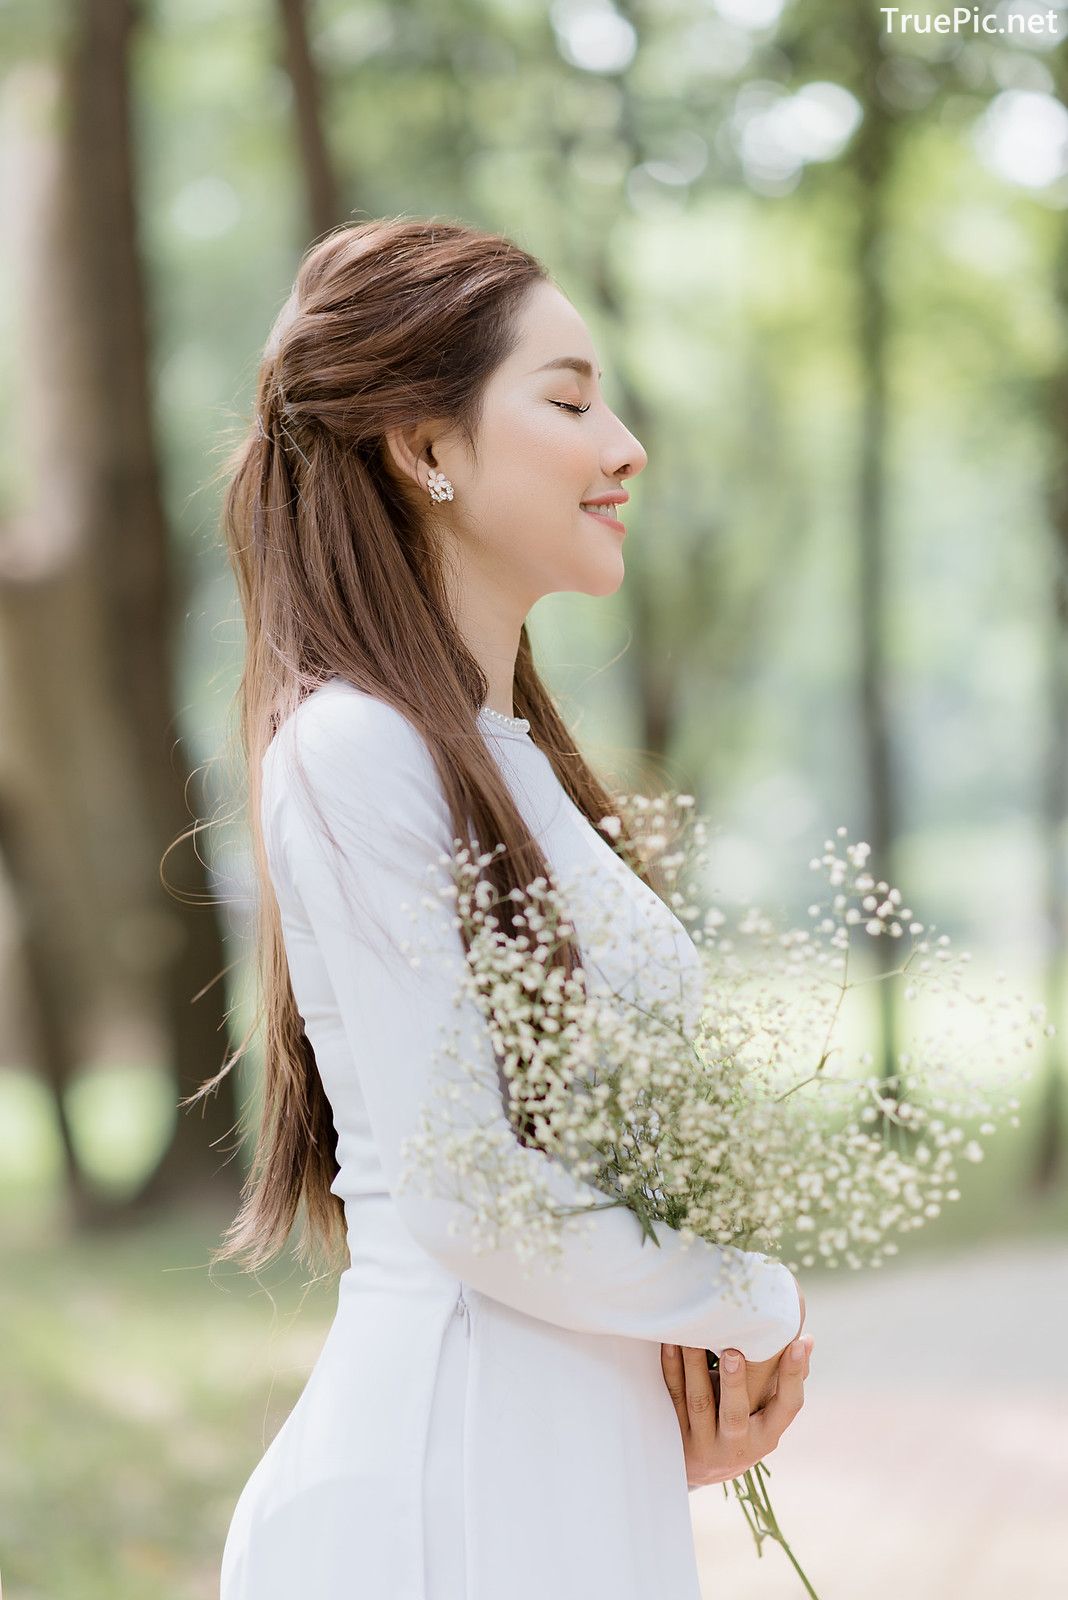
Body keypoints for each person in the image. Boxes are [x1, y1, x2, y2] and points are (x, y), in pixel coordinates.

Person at [211, 216, 812, 1600]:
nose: (625, 446)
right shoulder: (356, 747)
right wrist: (750, 1299)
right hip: (436, 1506)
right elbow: (469, 1193)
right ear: (424, 448)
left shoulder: (510, 760)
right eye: (570, 397)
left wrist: (671, 1398)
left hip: (555, 1486)